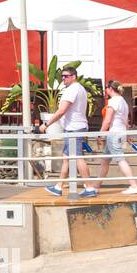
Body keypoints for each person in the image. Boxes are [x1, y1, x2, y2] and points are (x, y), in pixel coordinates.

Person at [37, 65, 97, 198]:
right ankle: (58, 187)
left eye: (66, 76)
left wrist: (46, 124)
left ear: (73, 77)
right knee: (66, 158)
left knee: (77, 158)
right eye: (62, 76)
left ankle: (90, 187)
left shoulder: (72, 90)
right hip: (74, 128)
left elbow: (62, 110)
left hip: (74, 129)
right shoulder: (79, 89)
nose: (63, 78)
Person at [91, 80, 137, 195]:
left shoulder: (112, 102)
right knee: (105, 160)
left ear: (110, 89)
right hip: (120, 132)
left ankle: (134, 186)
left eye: (106, 88)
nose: (105, 91)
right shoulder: (123, 101)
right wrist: (127, 135)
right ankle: (96, 186)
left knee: (120, 159)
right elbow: (126, 121)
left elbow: (107, 121)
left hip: (113, 134)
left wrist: (100, 134)